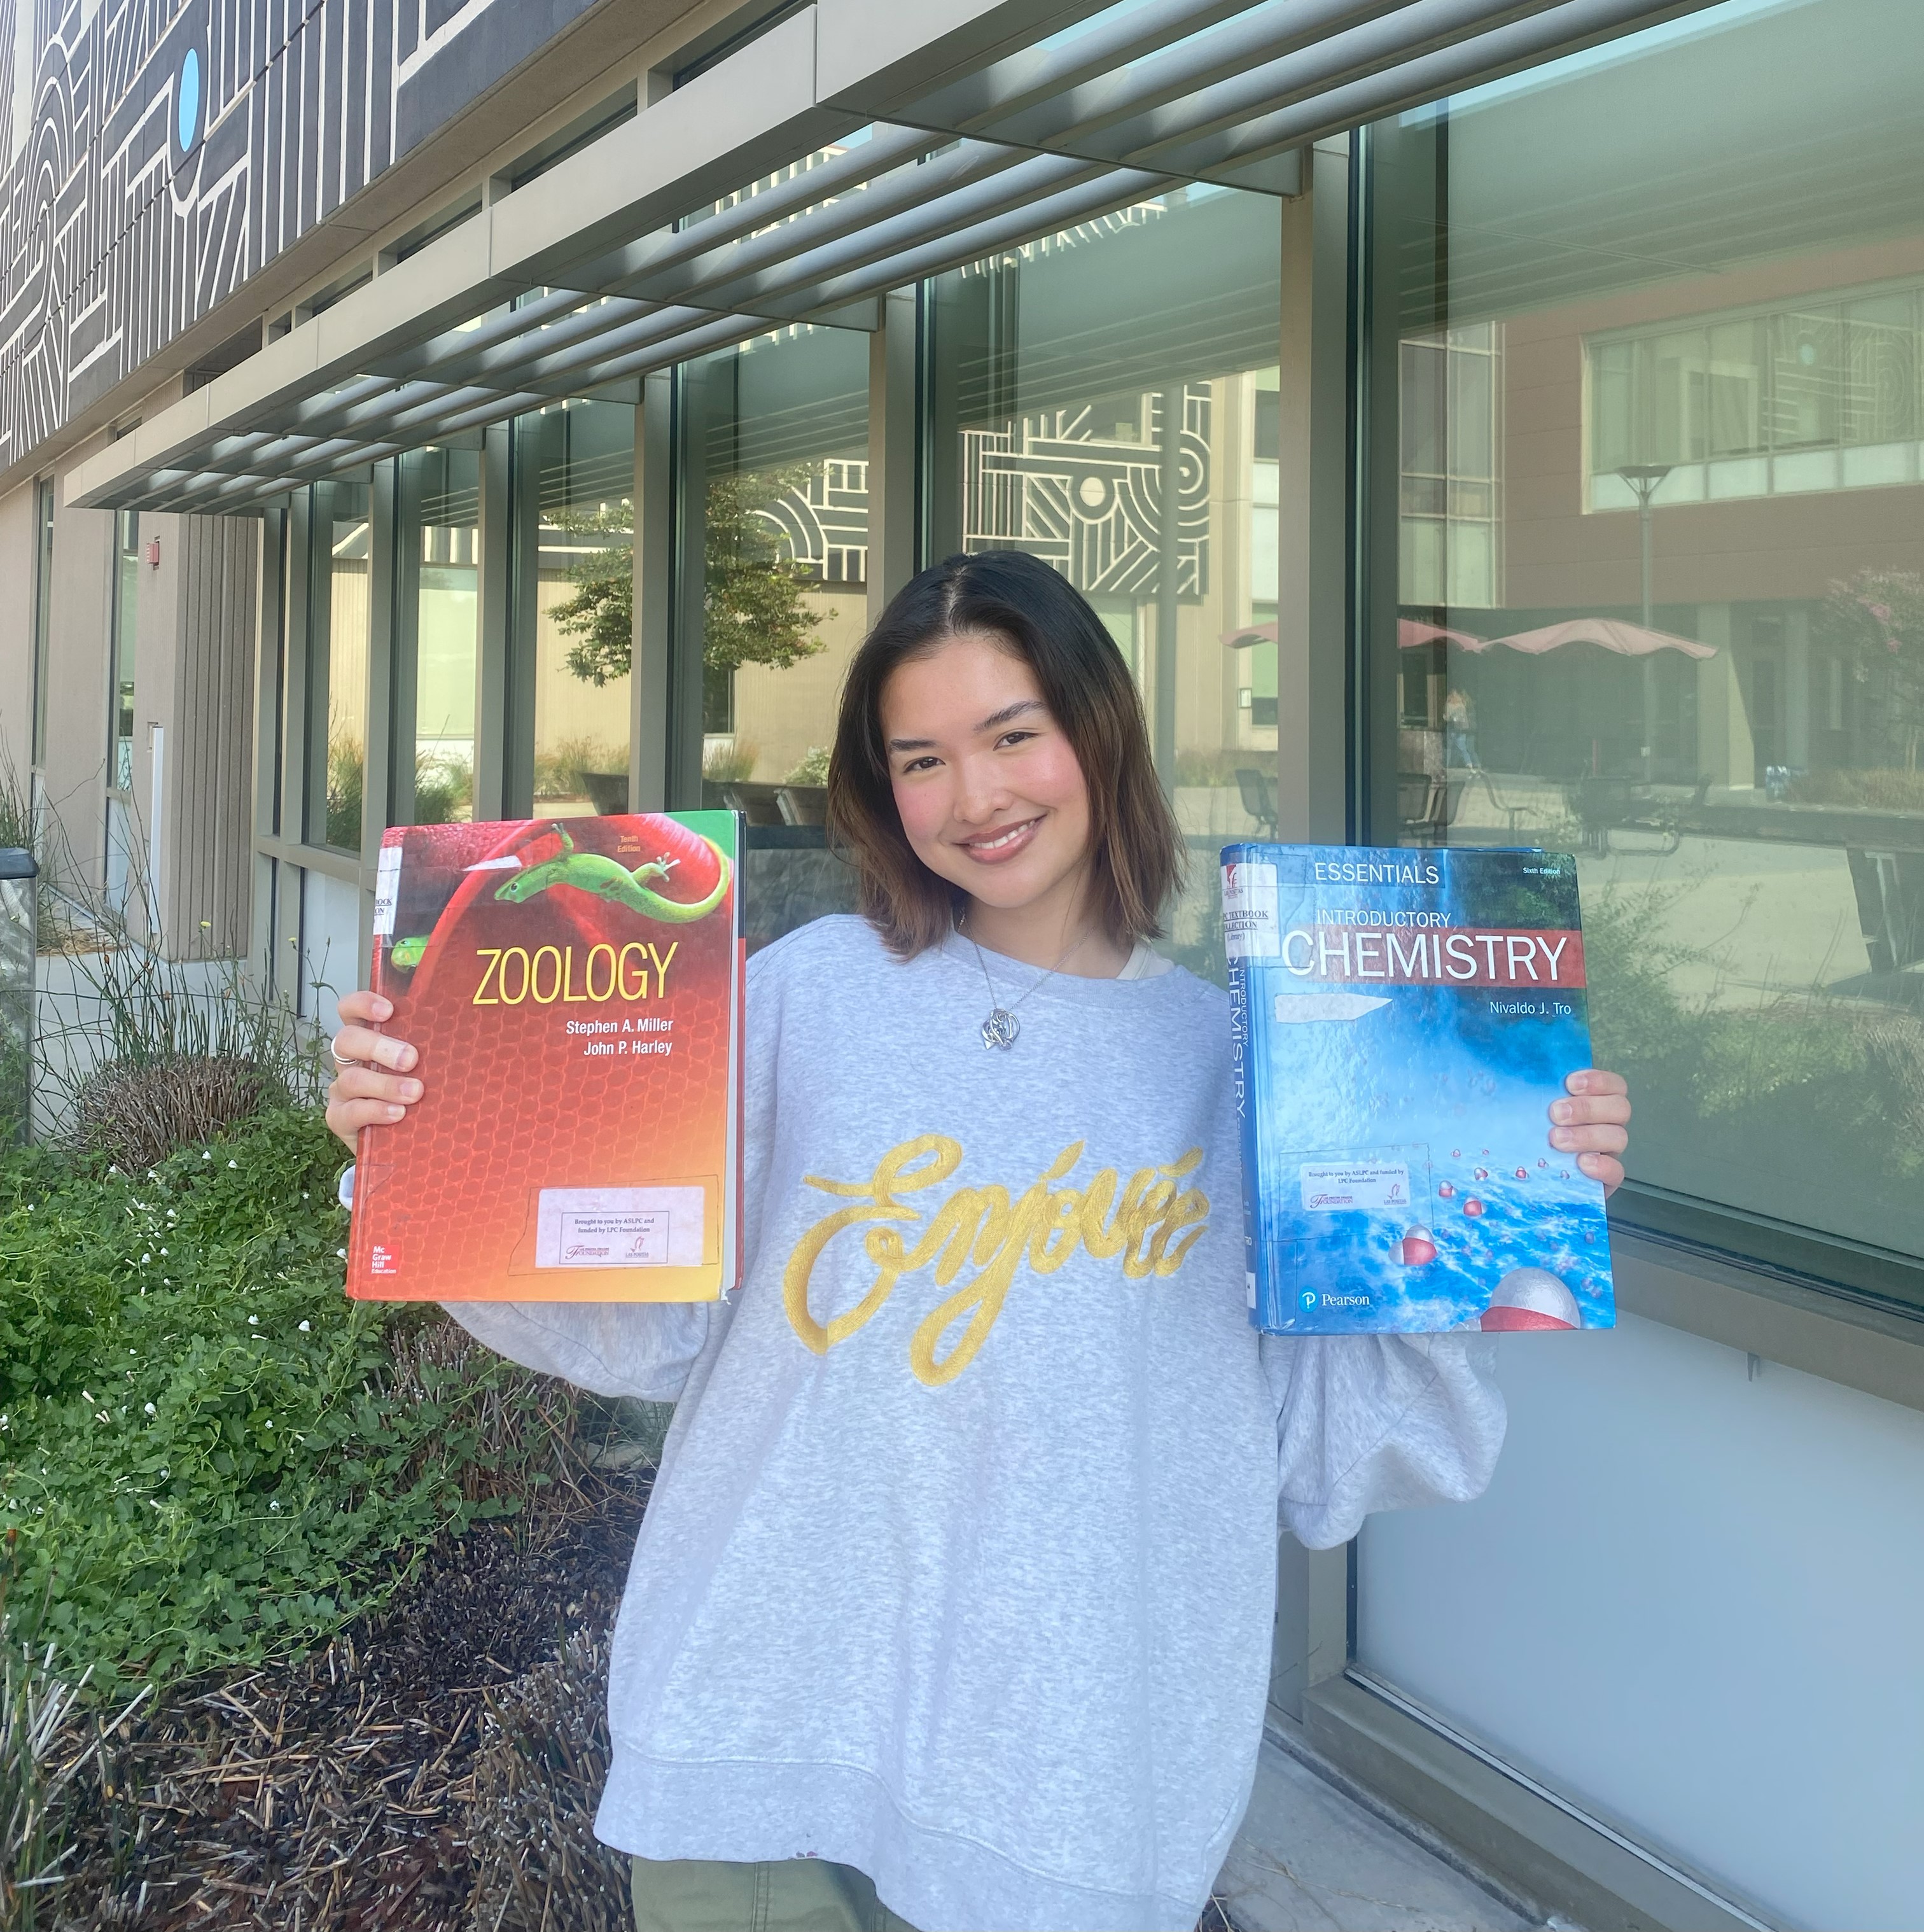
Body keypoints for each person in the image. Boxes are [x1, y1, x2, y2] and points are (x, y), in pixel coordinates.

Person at [326, 552, 1631, 1932]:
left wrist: (1502, 1193)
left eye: (1015, 735)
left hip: (1069, 1808)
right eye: (923, 759)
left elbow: (1331, 1456)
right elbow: (645, 1317)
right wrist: (419, 1141)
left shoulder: (1247, 1073)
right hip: (759, 1757)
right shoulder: (803, 998)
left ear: (1099, 730)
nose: (980, 797)